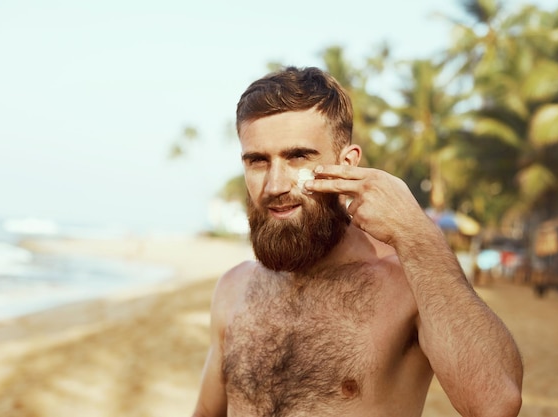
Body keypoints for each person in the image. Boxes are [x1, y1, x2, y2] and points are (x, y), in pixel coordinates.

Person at [192, 66, 523, 417]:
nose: (274, 185)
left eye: (298, 156)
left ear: (346, 164)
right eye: (257, 161)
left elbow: (496, 402)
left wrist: (416, 232)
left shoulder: (406, 286)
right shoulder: (234, 289)